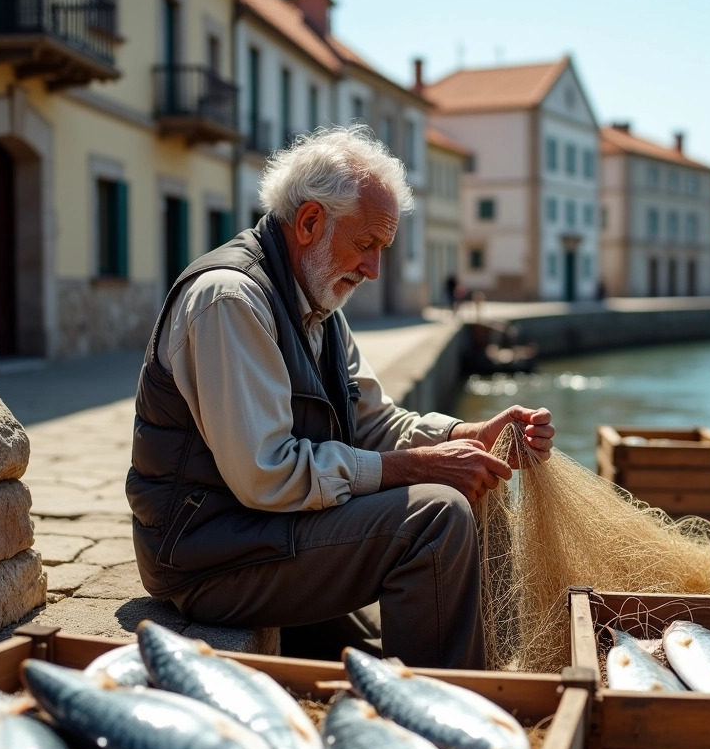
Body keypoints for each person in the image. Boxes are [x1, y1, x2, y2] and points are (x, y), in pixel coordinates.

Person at [126, 126, 554, 669]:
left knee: (473, 484)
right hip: (206, 557)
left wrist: (463, 438)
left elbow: (371, 419)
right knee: (437, 517)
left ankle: (491, 675)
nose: (374, 269)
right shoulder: (229, 301)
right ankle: (443, 714)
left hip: (265, 531)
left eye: (383, 249)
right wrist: (415, 466)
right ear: (309, 222)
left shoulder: (318, 302)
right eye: (366, 244)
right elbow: (268, 475)